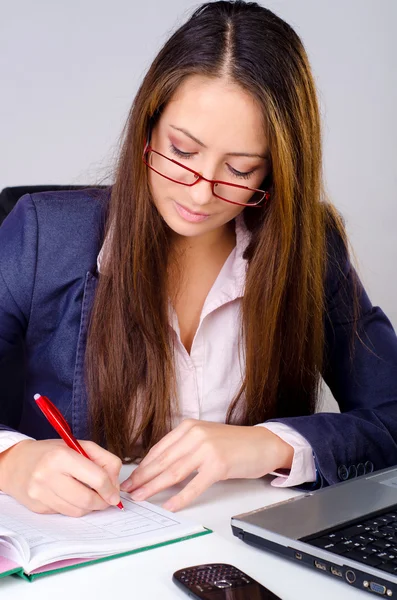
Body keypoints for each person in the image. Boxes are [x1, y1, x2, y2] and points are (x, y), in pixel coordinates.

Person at [0, 0, 397, 518]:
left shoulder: (308, 247)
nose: (201, 192)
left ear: (275, 172)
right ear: (149, 125)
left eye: (240, 168)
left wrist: (270, 445)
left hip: (241, 561)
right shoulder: (42, 236)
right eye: (183, 152)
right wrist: (12, 461)